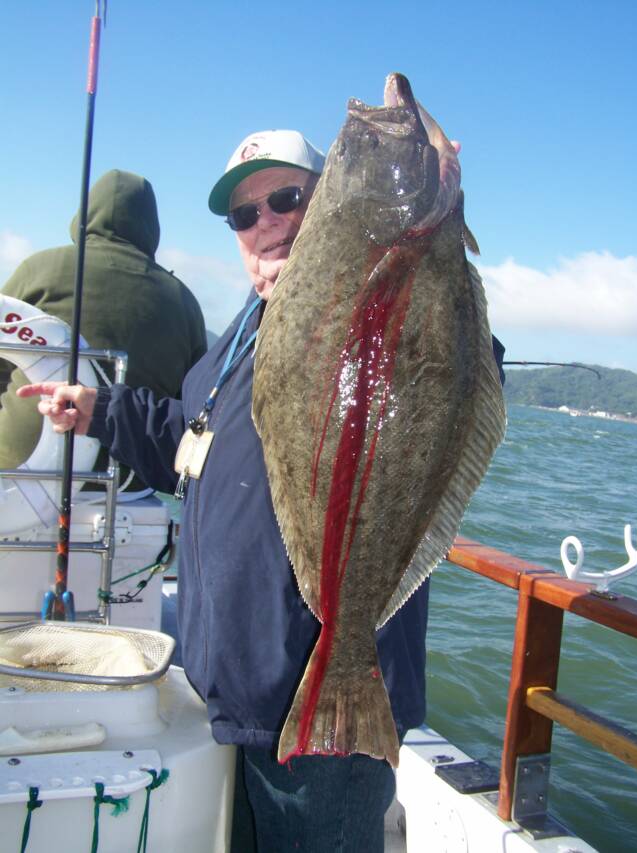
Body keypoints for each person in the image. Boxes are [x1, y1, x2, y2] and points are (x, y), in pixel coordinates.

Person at [19, 131, 505, 852]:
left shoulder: (373, 310)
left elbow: (455, 363)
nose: (264, 222)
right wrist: (99, 410)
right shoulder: (240, 335)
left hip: (328, 705)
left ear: (335, 209)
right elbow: (191, 438)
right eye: (244, 215)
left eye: (286, 199)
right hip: (245, 696)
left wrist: (431, 214)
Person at [0, 169, 207, 486]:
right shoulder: (184, 300)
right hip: (129, 484)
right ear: (152, 228)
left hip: (16, 467)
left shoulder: (37, 268)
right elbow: (194, 406)